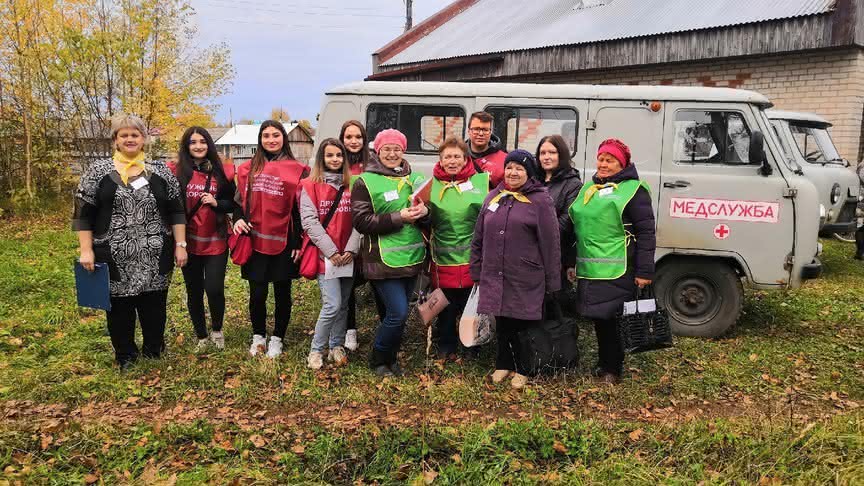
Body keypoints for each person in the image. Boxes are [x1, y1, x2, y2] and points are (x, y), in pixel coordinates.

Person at [73, 114, 187, 369]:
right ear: (115, 140)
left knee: (154, 304)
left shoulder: (160, 172)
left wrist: (181, 245)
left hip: (156, 254)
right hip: (113, 255)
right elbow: (83, 213)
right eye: (123, 135)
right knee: (119, 308)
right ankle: (125, 355)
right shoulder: (98, 172)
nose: (129, 139)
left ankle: (153, 349)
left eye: (134, 135)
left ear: (144, 139)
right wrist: (86, 250)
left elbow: (177, 210)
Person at [469, 149, 561, 389]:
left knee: (524, 323)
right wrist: (476, 269)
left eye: (519, 168)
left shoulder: (540, 200)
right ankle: (503, 364)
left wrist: (553, 282)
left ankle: (524, 367)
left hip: (525, 274)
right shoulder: (493, 197)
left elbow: (551, 243)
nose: (513, 172)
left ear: (529, 174)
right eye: (509, 167)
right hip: (494, 272)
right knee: (502, 321)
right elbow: (478, 236)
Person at [567, 139, 656, 384]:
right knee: (598, 318)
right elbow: (575, 228)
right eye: (601, 159)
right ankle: (604, 362)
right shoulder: (588, 189)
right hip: (590, 267)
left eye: (610, 160)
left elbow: (646, 232)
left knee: (612, 318)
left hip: (619, 268)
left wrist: (645, 270)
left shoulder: (634, 190)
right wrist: (570, 262)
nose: (603, 164)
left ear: (622, 164)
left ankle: (612, 369)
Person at [351, 129, 428, 377]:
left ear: (403, 151)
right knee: (398, 313)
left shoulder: (416, 179)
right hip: (381, 260)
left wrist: (426, 213)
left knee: (397, 314)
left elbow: (430, 214)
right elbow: (361, 221)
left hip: (412, 258)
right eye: (387, 149)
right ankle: (377, 359)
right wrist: (399, 217)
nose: (392, 154)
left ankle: (391, 359)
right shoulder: (365, 181)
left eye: (397, 149)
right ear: (378, 151)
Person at [232, 120, 309, 358]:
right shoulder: (247, 169)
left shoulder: (298, 169)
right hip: (254, 240)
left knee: (282, 292)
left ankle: (277, 338)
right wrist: (236, 218)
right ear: (260, 139)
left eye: (276, 135)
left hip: (285, 241)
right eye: (266, 136)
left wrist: (297, 242)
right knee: (257, 293)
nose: (271, 140)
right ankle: (258, 336)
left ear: (284, 138)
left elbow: (300, 209)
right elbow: (238, 202)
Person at [414, 137, 490, 360]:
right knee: (446, 308)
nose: (452, 161)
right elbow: (422, 221)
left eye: (457, 156)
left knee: (471, 306)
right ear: (440, 159)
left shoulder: (481, 183)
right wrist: (425, 216)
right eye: (447, 156)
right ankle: (446, 346)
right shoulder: (429, 186)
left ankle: (471, 346)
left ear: (466, 158)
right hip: (441, 261)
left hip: (472, 259)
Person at [168, 127, 236, 352]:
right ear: (186, 146)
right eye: (192, 142)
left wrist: (217, 203)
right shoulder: (176, 172)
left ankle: (217, 330)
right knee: (193, 290)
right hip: (188, 241)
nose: (198, 146)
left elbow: (234, 203)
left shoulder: (222, 172)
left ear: (209, 144)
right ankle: (201, 336)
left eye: (202, 141)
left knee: (214, 288)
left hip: (216, 239)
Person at [300, 138, 361, 369]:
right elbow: (310, 222)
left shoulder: (354, 185)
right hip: (325, 256)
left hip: (348, 255)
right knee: (332, 305)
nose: (335, 159)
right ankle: (316, 350)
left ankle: (336, 345)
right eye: (330, 155)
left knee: (344, 303)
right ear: (321, 158)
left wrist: (351, 249)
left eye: (339, 155)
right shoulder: (309, 185)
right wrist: (332, 251)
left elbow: (359, 219)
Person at [339, 120, 386, 350]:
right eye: (349, 137)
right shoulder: (337, 163)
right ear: (342, 139)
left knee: (378, 283)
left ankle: (387, 328)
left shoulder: (374, 163)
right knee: (346, 285)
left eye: (358, 137)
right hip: (343, 229)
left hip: (369, 230)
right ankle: (350, 330)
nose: (353, 141)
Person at [536, 135, 583, 316]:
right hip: (530, 258)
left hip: (557, 258)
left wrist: (533, 232)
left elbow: (567, 220)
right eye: (542, 153)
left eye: (552, 152)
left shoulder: (573, 184)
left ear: (561, 155)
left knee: (554, 311)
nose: (546, 157)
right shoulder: (533, 180)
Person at [465, 111, 507, 188]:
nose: (481, 133)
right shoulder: (458, 157)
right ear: (469, 131)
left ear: (490, 132)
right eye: (476, 129)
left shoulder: (505, 160)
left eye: (485, 130)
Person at [855, 159, 864, 260]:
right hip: (862, 200)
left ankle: (860, 252)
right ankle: (860, 252)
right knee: (860, 226)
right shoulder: (862, 166)